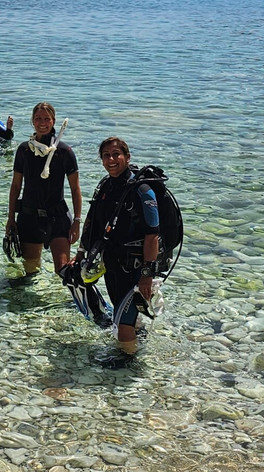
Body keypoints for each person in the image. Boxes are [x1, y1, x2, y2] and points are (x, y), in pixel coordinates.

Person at [77, 137, 161, 366]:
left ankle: (127, 364)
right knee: (120, 315)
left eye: (116, 154)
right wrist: (82, 252)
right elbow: (92, 223)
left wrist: (147, 274)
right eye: (106, 155)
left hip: (135, 269)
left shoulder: (142, 190)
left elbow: (152, 234)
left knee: (123, 324)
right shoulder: (105, 186)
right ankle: (135, 344)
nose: (111, 159)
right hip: (112, 265)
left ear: (127, 156)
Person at [6, 102, 82, 278]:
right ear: (32, 121)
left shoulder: (64, 152)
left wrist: (77, 221)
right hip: (29, 216)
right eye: (38, 118)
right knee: (31, 270)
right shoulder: (24, 150)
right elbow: (16, 185)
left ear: (53, 121)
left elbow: (75, 188)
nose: (42, 122)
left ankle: (71, 301)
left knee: (63, 271)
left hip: (57, 217)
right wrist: (11, 218)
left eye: (46, 119)